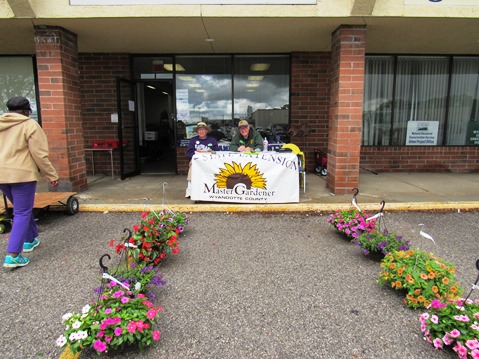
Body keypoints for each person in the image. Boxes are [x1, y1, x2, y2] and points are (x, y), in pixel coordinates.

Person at [0, 96, 59, 268]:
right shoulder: (30, 125)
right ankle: (13, 255)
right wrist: (51, 175)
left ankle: (30, 239)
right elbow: (39, 154)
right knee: (22, 211)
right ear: (26, 111)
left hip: (2, 176)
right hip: (22, 175)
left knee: (22, 209)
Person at [185, 121, 219, 198]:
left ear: (206, 131)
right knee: (192, 166)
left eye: (203, 129)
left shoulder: (212, 140)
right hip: (197, 161)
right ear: (197, 131)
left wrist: (211, 153)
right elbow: (189, 153)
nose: (201, 131)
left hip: (210, 161)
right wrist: (197, 156)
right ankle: (189, 188)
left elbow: (217, 152)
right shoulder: (193, 140)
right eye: (199, 130)